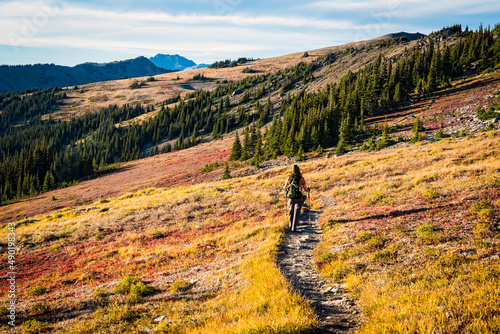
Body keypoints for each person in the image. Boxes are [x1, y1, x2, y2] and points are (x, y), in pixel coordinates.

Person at [284, 165, 309, 232]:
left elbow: (284, 187)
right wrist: (308, 190)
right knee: (297, 211)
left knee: (291, 210)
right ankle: (294, 228)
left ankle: (290, 225)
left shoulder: (289, 178)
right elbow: (305, 189)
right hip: (298, 197)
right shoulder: (301, 179)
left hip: (291, 197)